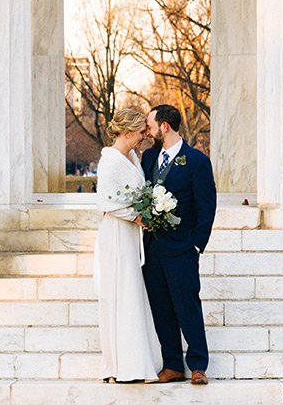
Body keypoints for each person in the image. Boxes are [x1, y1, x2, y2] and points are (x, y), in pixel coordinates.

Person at [141, 104, 217, 386]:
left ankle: (197, 365)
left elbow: (206, 205)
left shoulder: (196, 160)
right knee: (161, 307)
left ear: (164, 126)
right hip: (152, 248)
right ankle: (172, 364)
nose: (147, 133)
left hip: (183, 249)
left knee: (187, 306)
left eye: (150, 126)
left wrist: (197, 244)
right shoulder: (148, 158)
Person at [93, 108, 162, 383]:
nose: (146, 136)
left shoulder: (132, 156)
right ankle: (118, 366)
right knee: (119, 295)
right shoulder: (109, 160)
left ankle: (136, 361)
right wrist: (136, 216)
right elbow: (105, 204)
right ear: (127, 131)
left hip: (131, 235)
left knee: (132, 294)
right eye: (142, 131)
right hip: (117, 235)